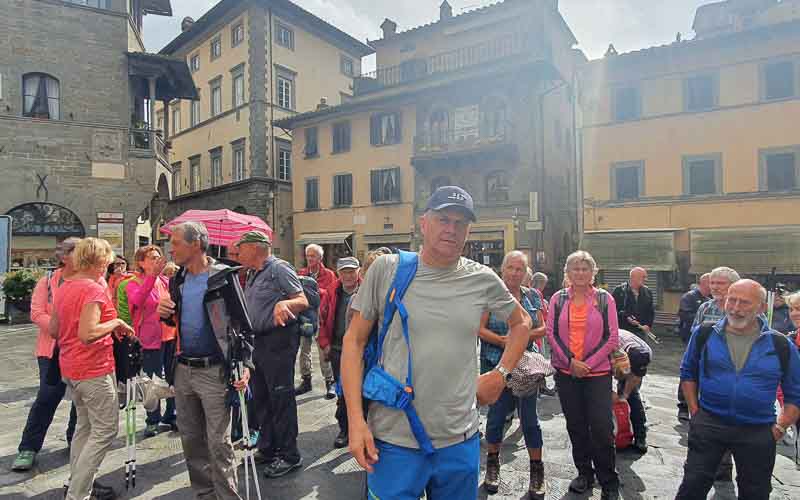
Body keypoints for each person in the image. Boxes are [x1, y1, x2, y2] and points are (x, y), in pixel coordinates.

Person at [342, 186, 532, 499]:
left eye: (460, 223)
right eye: (443, 219)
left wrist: (500, 374)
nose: (451, 229)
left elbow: (522, 322)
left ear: (468, 231)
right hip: (393, 441)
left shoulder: (482, 278)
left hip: (460, 439)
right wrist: (355, 421)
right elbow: (353, 341)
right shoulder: (387, 269)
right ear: (423, 223)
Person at [676, 280, 800, 500]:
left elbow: (795, 393)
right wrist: (695, 411)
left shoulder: (781, 345)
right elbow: (688, 373)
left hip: (758, 429)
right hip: (710, 422)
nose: (735, 308)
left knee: (755, 492)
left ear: (762, 307)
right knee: (692, 486)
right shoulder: (704, 334)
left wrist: (780, 427)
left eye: (744, 303)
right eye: (731, 300)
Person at [157, 221, 249, 500]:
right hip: (183, 368)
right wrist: (163, 312)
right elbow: (173, 319)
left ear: (195, 244)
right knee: (191, 441)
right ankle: (204, 495)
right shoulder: (179, 279)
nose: (170, 249)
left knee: (219, 444)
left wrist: (246, 368)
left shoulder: (222, 277)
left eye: (175, 243)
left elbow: (244, 326)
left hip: (214, 371)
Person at [50, 238, 135, 500]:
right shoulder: (93, 290)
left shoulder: (65, 286)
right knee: (105, 430)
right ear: (101, 261)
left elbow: (54, 329)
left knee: (84, 428)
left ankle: (75, 486)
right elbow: (88, 333)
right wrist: (116, 322)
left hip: (71, 367)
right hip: (93, 368)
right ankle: (78, 494)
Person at [546, 250, 620, 500]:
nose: (580, 273)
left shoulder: (604, 299)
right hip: (567, 373)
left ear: (593, 273)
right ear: (567, 272)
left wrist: (586, 363)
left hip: (597, 373)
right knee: (576, 425)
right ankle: (584, 474)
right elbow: (551, 333)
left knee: (601, 427)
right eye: (575, 268)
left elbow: (612, 337)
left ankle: (609, 480)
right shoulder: (557, 299)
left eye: (584, 268)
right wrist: (570, 362)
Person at [236, 230, 309, 478]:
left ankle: (290, 455)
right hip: (259, 343)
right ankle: (268, 448)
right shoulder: (253, 274)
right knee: (262, 398)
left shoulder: (279, 268)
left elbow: (301, 300)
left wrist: (284, 304)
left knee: (280, 398)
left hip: (279, 341)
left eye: (241, 246)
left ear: (256, 247)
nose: (237, 251)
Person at [479, 251, 547, 499]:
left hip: (525, 369)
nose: (515, 273)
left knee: (530, 420)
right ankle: (492, 465)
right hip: (495, 366)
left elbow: (542, 328)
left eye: (520, 269)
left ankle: (537, 471)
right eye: (511, 268)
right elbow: (479, 328)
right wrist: (501, 340)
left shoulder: (532, 296)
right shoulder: (490, 295)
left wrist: (521, 336)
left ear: (525, 272)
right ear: (502, 269)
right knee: (496, 418)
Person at [12, 239, 79, 472]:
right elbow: (36, 312)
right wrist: (56, 327)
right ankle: (28, 447)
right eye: (79, 252)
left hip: (81, 349)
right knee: (48, 396)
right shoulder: (48, 281)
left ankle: (75, 440)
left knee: (80, 399)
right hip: (51, 348)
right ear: (64, 257)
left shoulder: (92, 278)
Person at [126, 245, 176, 437]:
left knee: (172, 378)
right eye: (152, 258)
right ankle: (152, 420)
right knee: (151, 383)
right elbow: (137, 301)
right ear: (141, 262)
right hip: (149, 340)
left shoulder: (165, 281)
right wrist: (152, 277)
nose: (156, 261)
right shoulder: (133, 283)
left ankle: (172, 415)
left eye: (158, 257)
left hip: (170, 336)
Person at [318, 257, 362, 449]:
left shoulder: (366, 290)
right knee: (343, 393)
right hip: (338, 350)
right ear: (339, 273)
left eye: (352, 271)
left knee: (363, 392)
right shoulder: (332, 291)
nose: (348, 275)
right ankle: (345, 430)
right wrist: (325, 343)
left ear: (358, 271)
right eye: (344, 272)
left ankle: (362, 429)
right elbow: (322, 318)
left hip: (362, 351)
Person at [296, 243, 336, 398]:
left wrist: (315, 290)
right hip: (305, 316)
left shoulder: (329, 275)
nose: (310, 259)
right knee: (304, 350)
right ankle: (306, 381)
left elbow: (331, 294)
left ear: (320, 258)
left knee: (323, 350)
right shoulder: (302, 273)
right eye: (308, 256)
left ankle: (330, 382)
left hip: (321, 318)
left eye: (313, 256)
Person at [676, 273, 711, 420]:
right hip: (692, 338)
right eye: (711, 283)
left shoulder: (711, 300)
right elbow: (685, 315)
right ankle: (683, 406)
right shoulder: (689, 297)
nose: (713, 287)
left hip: (709, 342)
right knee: (689, 369)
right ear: (703, 283)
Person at [613, 329, 652, 453]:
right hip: (613, 358)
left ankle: (640, 437)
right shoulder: (615, 344)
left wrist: (625, 395)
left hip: (626, 362)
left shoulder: (647, 353)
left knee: (633, 398)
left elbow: (636, 377)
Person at [611, 267, 654, 340]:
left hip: (640, 332)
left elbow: (650, 311)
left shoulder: (647, 292)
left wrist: (648, 325)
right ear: (633, 277)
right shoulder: (620, 291)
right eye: (643, 277)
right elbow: (612, 311)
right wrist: (626, 317)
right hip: (624, 332)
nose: (646, 279)